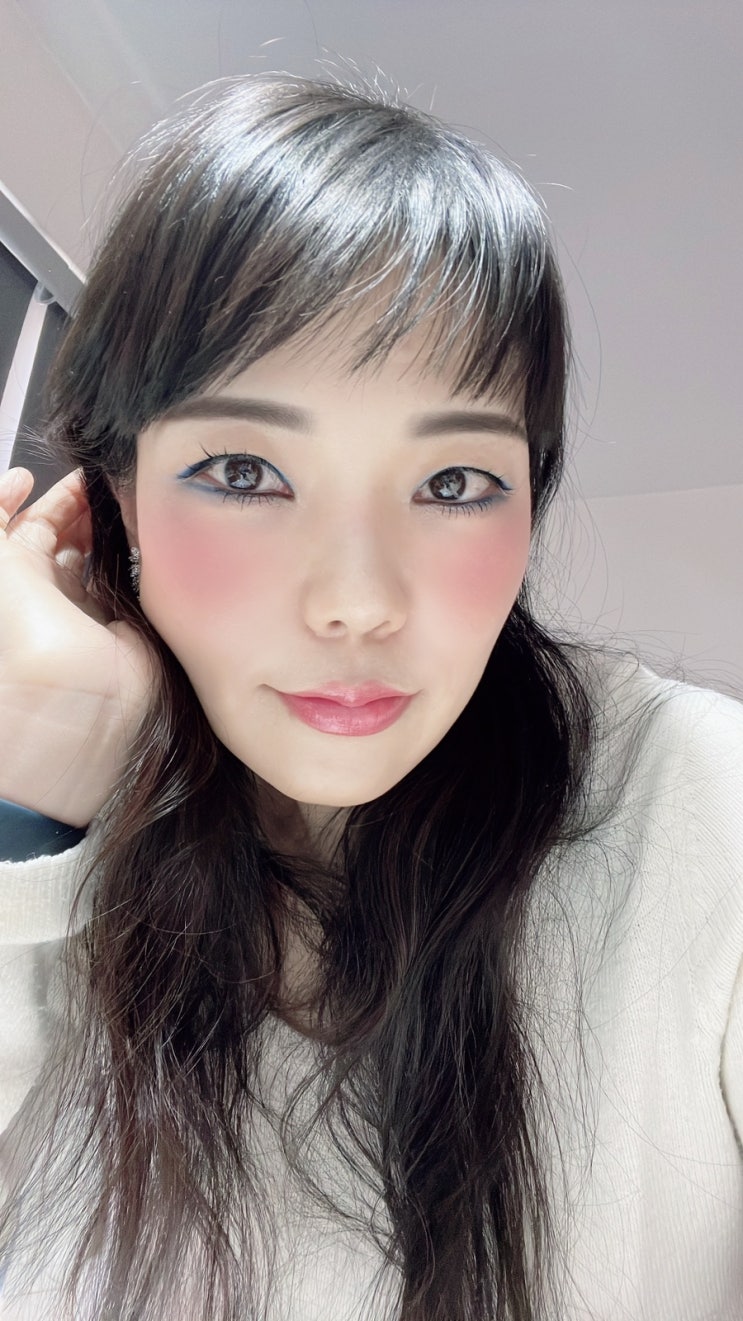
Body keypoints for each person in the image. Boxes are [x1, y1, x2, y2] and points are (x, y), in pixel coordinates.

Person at [0, 73, 741, 1321]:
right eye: (244, 471)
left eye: (452, 483)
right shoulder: (62, 828)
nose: (356, 601)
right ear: (114, 502)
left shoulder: (701, 809)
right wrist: (33, 797)